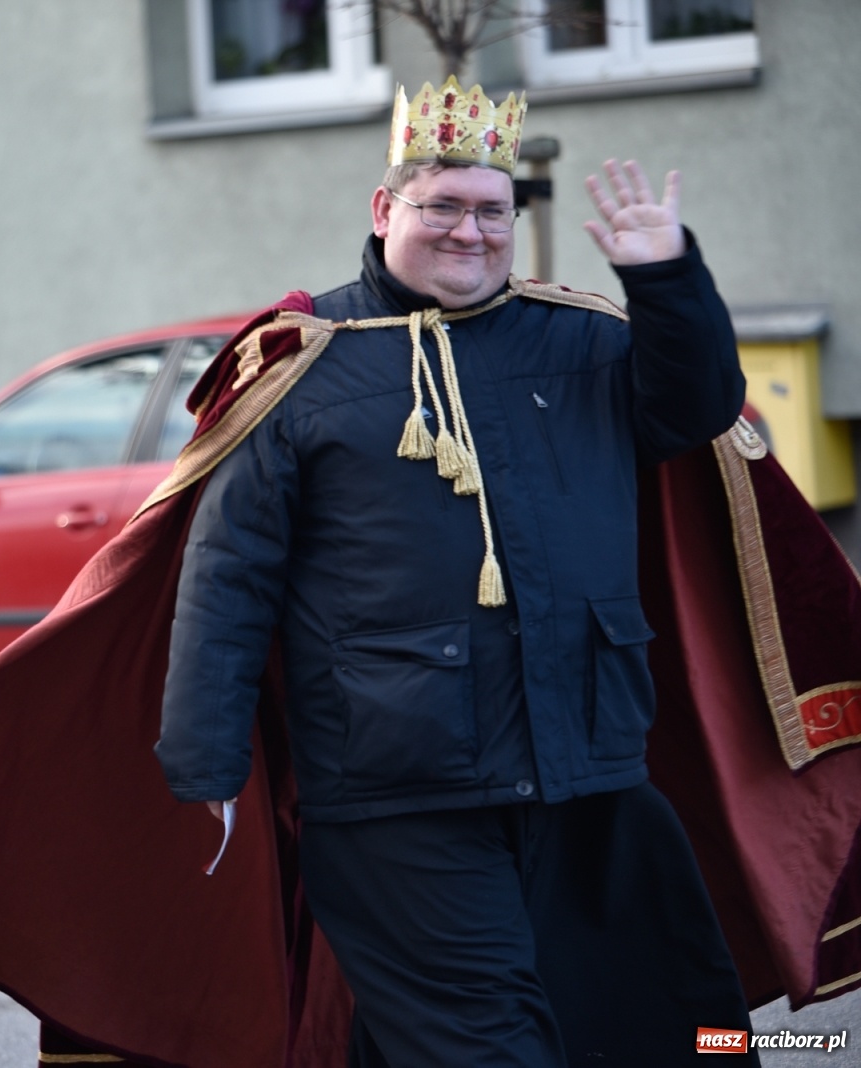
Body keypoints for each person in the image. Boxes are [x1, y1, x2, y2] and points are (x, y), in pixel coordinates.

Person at [152, 77, 754, 1065]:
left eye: (491, 211)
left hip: (587, 769)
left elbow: (696, 410)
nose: (470, 232)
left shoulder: (588, 341)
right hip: (396, 789)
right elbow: (230, 574)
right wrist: (206, 762)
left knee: (676, 1027)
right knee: (482, 1044)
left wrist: (666, 279)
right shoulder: (303, 364)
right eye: (443, 206)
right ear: (384, 209)